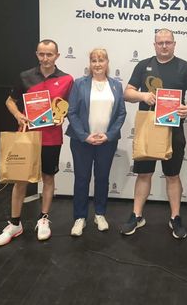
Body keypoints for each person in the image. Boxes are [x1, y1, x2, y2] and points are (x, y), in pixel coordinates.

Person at [119, 28, 187, 239]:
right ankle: (137, 215)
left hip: (173, 129)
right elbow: (127, 93)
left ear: (174, 44)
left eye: (168, 42)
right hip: (148, 128)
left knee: (172, 175)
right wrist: (143, 96)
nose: (164, 46)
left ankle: (175, 217)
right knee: (143, 174)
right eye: (160, 42)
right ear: (154, 45)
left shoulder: (185, 67)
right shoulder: (143, 65)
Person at [0, 39, 74, 246]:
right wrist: (18, 115)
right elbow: (10, 101)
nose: (45, 58)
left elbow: (68, 106)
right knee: (20, 180)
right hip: (27, 136)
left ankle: (43, 219)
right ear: (37, 54)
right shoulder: (25, 76)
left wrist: (62, 116)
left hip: (51, 137)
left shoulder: (67, 79)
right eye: (41, 54)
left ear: (57, 55)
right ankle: (15, 224)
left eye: (49, 54)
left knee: (48, 178)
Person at [66, 48, 126, 236]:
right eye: (94, 60)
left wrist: (109, 135)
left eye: (101, 60)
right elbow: (71, 112)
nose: (97, 64)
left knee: (102, 178)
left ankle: (100, 214)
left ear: (107, 62)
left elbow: (121, 113)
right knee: (82, 179)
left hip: (106, 142)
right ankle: (80, 218)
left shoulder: (116, 85)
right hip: (82, 141)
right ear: (89, 63)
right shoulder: (79, 84)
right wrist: (85, 136)